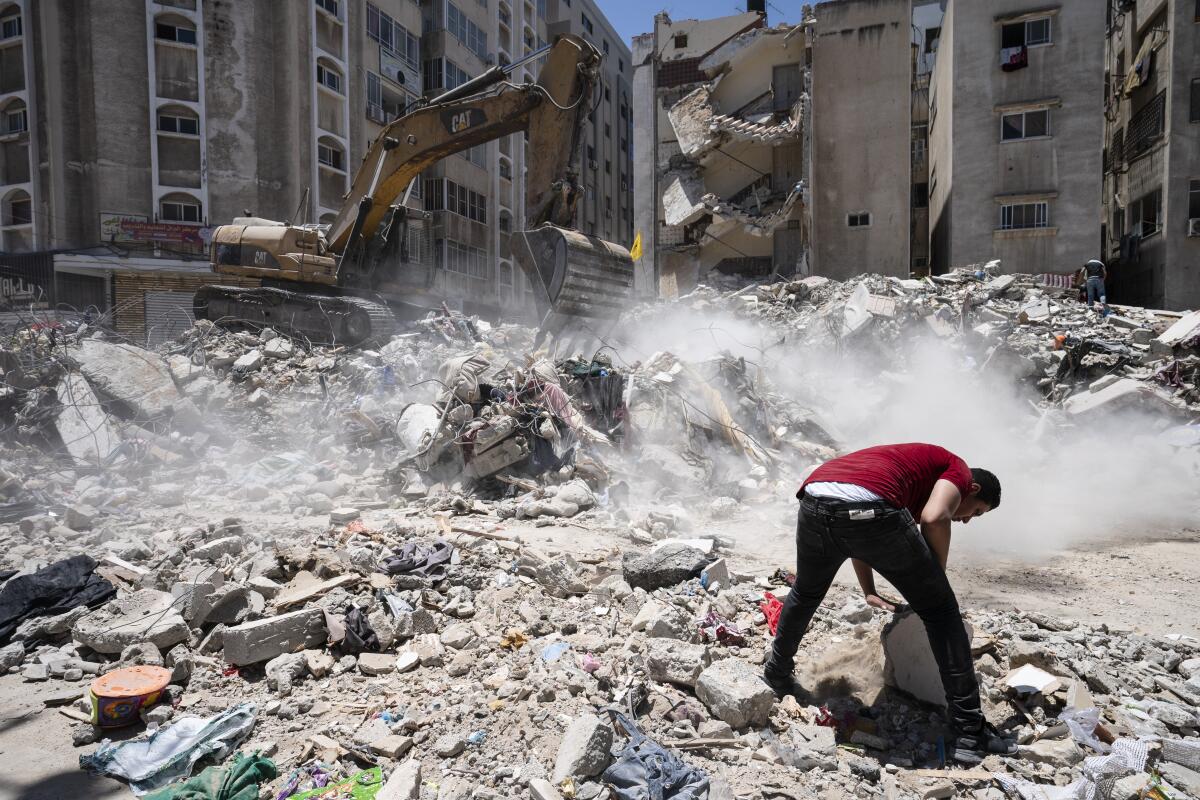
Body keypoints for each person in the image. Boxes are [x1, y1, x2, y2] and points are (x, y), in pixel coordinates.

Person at [762, 443, 1015, 765]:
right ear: (972, 488)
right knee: (942, 613)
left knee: (806, 592)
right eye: (976, 511)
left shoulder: (905, 481)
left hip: (816, 497)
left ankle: (776, 674)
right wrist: (936, 586)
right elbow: (935, 518)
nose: (967, 520)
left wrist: (868, 588)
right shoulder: (959, 470)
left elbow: (855, 522)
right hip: (868, 507)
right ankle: (969, 731)